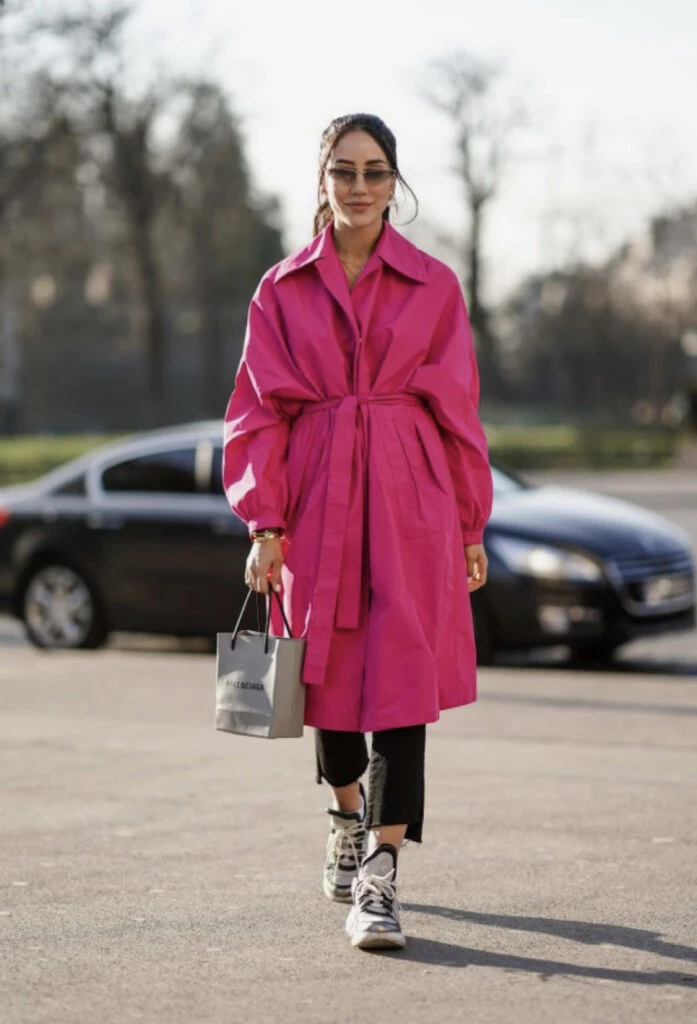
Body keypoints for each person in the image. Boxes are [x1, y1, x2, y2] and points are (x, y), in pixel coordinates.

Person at [222, 113, 493, 951]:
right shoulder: (280, 288)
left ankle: (379, 877)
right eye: (344, 171)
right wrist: (264, 520)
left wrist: (468, 522)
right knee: (328, 681)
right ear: (322, 180)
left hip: (410, 497)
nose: (360, 187)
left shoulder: (433, 285)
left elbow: (457, 412)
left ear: (394, 182)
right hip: (313, 498)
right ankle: (343, 816)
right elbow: (256, 411)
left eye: (375, 172)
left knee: (401, 686)